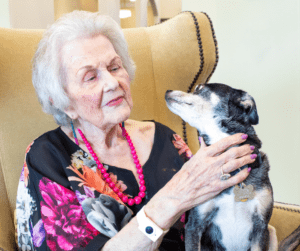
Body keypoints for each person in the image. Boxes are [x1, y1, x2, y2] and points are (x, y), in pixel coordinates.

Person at [16, 11, 258, 251]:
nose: (112, 83)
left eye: (114, 67)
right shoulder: (47, 157)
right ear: (62, 101)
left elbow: (217, 214)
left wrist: (246, 186)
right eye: (90, 77)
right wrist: (172, 199)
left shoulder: (165, 139)